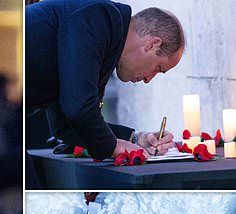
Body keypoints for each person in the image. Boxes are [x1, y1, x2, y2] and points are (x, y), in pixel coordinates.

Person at [26, 0, 183, 160]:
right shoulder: (99, 16)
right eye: (158, 68)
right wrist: (115, 147)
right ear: (152, 45)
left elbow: (67, 127)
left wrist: (135, 139)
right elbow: (79, 108)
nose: (148, 79)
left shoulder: (107, 36)